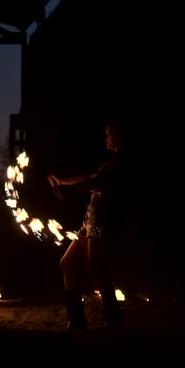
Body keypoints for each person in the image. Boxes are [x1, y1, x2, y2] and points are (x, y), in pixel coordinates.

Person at [47, 121, 128, 332]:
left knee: (96, 270)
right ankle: (77, 321)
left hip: (101, 224)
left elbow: (97, 184)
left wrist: (68, 189)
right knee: (68, 263)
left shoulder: (121, 162)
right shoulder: (110, 162)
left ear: (120, 135)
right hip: (89, 223)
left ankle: (114, 320)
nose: (106, 138)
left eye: (109, 133)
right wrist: (63, 183)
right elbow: (91, 179)